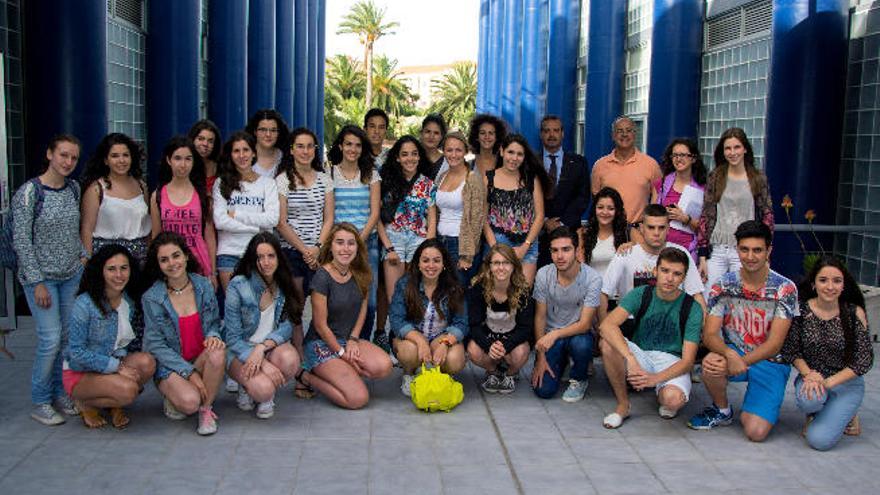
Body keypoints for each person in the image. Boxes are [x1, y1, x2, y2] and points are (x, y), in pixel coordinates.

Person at [687, 221, 797, 442]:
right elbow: (709, 334)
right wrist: (730, 355)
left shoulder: (785, 288)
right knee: (711, 362)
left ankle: (756, 402)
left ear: (769, 251)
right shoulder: (724, 284)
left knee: (755, 433)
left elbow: (775, 344)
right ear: (737, 249)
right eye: (744, 249)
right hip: (735, 350)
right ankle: (722, 410)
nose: (750, 256)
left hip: (771, 360)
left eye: (757, 250)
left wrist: (743, 361)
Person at [13, 134, 86, 425]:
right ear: (49, 154)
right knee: (49, 339)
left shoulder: (73, 190)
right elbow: (22, 240)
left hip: (70, 275)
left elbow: (74, 229)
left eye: (73, 157)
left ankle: (62, 392)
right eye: (63, 155)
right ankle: (41, 400)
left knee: (67, 339)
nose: (68, 162)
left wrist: (81, 257)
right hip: (41, 280)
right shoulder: (29, 193)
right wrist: (37, 281)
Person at [598, 248, 703, 428]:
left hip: (672, 360)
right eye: (665, 271)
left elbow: (687, 361)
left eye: (677, 274)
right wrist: (630, 358)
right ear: (655, 271)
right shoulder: (642, 293)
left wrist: (654, 379)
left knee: (672, 401)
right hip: (642, 354)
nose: (670, 278)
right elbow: (606, 325)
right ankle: (623, 405)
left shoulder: (692, 307)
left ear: (684, 278)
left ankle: (661, 391)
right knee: (607, 344)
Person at [781, 256, 873, 450]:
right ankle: (816, 413)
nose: (830, 286)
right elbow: (791, 350)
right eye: (823, 280)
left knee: (819, 441)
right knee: (810, 400)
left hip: (846, 383)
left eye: (836, 281)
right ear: (814, 283)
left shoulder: (854, 312)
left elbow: (863, 360)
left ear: (843, 285)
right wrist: (809, 374)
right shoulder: (802, 310)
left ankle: (848, 412)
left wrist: (827, 382)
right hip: (812, 377)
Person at [299, 223, 393, 409]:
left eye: (351, 243)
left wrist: (353, 339)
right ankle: (306, 376)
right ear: (331, 246)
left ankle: (343, 372)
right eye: (340, 243)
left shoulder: (362, 272)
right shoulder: (322, 276)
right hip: (322, 343)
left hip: (346, 339)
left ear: (358, 247)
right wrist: (342, 354)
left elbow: (362, 309)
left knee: (384, 366)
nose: (345, 248)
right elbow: (320, 325)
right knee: (357, 399)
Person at [142, 232, 226, 436]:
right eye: (164, 259)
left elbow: (214, 322)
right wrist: (188, 373)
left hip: (200, 358)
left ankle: (206, 411)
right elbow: (156, 345)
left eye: (176, 255)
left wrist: (214, 335)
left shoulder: (204, 286)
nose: (172, 263)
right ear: (158, 264)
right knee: (189, 403)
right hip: (171, 364)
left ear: (186, 256)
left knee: (217, 352)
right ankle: (176, 394)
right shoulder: (152, 297)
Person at [65, 245, 155, 429]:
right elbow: (76, 353)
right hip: (80, 372)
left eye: (124, 268)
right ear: (101, 272)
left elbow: (120, 344)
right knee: (129, 390)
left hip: (109, 365)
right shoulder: (84, 304)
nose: (119, 275)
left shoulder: (127, 301)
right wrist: (117, 368)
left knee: (147, 362)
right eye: (111, 269)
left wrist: (119, 367)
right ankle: (86, 403)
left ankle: (113, 402)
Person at [225, 233, 303, 419]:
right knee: (264, 391)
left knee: (291, 360)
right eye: (259, 257)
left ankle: (261, 388)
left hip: (266, 347)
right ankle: (250, 386)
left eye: (271, 256)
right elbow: (232, 338)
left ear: (278, 257)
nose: (266, 262)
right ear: (252, 260)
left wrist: (262, 348)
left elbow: (286, 327)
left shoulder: (283, 283)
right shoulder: (238, 285)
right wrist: (264, 364)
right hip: (240, 351)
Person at [276, 127, 333, 360]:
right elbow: (281, 222)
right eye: (300, 146)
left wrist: (317, 248)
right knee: (296, 308)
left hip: (320, 252)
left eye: (310, 146)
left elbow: (328, 217)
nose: (305, 151)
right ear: (291, 150)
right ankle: (299, 356)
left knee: (322, 307)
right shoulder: (282, 181)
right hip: (291, 252)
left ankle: (316, 351)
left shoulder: (325, 180)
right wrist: (304, 250)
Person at [599, 204, 706, 326]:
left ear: (668, 229)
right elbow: (603, 293)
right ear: (641, 228)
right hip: (631, 321)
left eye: (661, 228)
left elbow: (696, 294)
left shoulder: (681, 254)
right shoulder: (625, 254)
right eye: (651, 227)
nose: (656, 233)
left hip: (670, 322)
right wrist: (602, 328)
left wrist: (700, 330)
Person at [697, 128, 774, 292]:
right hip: (717, 249)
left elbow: (767, 216)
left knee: (740, 298)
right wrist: (702, 256)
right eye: (728, 148)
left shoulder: (758, 178)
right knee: (709, 296)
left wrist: (766, 253)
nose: (732, 152)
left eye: (737, 147)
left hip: (746, 250)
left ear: (745, 148)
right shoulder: (715, 176)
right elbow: (706, 215)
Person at [531, 227, 602, 402]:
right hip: (550, 336)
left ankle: (579, 378)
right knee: (544, 391)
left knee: (582, 344)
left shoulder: (592, 278)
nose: (560, 256)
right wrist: (540, 356)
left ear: (577, 251)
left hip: (577, 333)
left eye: (566, 249)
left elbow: (585, 324)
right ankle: (561, 362)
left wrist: (555, 334)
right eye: (555, 250)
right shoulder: (543, 274)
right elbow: (540, 316)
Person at [389, 239, 467, 396]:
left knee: (456, 359)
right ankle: (410, 374)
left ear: (444, 263)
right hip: (413, 336)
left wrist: (445, 343)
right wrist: (420, 340)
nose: (431, 265)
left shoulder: (454, 286)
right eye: (425, 260)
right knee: (409, 352)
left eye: (436, 261)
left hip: (440, 336)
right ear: (418, 263)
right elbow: (396, 319)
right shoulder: (405, 284)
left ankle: (441, 374)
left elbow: (462, 323)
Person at [327, 125, 381, 342]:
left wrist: (358, 240)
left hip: (368, 242)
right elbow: (329, 213)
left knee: (370, 300)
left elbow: (375, 212)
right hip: (338, 245)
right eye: (348, 144)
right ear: (340, 146)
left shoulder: (371, 174)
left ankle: (362, 343)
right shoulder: (329, 173)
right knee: (338, 299)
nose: (353, 149)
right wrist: (342, 242)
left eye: (358, 145)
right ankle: (337, 343)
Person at [213, 131, 280, 291]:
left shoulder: (267, 184)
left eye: (246, 150)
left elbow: (272, 219)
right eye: (236, 151)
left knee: (260, 306)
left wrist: (236, 215)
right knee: (233, 308)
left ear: (254, 152)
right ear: (231, 155)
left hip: (260, 254)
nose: (241, 155)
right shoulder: (221, 183)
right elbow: (220, 221)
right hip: (229, 254)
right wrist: (255, 229)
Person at [378, 136, 437, 313]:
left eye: (414, 154)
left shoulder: (427, 184)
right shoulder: (386, 182)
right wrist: (388, 248)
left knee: (416, 293)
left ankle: (414, 334)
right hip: (393, 240)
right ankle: (398, 336)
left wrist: (429, 247)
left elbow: (432, 218)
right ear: (397, 157)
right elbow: (377, 218)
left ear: (419, 157)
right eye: (404, 154)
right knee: (394, 296)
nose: (409, 158)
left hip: (418, 241)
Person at [484, 133, 550, 285]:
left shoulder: (531, 179)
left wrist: (525, 246)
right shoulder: (489, 178)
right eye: (510, 152)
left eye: (519, 154)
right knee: (498, 295)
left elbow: (540, 216)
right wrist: (496, 248)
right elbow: (482, 217)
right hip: (498, 243)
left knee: (522, 295)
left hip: (527, 243)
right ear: (502, 151)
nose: (514, 158)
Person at [468, 244, 533, 394]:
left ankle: (510, 373)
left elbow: (525, 328)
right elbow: (474, 325)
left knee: (522, 351)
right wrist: (489, 345)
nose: (501, 268)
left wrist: (506, 345)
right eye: (496, 263)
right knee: (473, 349)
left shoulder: (522, 290)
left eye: (506, 263)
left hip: (512, 340)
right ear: (489, 266)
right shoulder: (479, 288)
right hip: (489, 338)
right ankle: (493, 372)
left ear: (513, 266)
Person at [150, 135, 216, 282]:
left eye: (188, 159)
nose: (183, 164)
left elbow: (209, 235)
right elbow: (156, 235)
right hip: (170, 264)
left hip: (199, 263)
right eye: (177, 158)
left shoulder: (202, 194)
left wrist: (212, 272)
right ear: (169, 160)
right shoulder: (158, 195)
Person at [80, 132, 151, 265]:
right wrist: (87, 264)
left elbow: (147, 226)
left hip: (138, 258)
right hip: (106, 259)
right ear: (106, 160)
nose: (121, 160)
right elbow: (86, 230)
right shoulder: (96, 189)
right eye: (115, 156)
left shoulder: (141, 186)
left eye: (125, 155)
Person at [434, 131, 487, 284]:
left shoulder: (472, 179)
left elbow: (477, 220)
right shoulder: (441, 176)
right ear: (443, 151)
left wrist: (467, 256)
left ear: (465, 151)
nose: (454, 154)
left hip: (460, 244)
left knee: (458, 295)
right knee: (443, 292)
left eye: (458, 150)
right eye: (449, 150)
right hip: (440, 241)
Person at [590, 116, 661, 228]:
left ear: (634, 134)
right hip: (609, 230)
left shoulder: (651, 164)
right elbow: (596, 199)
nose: (624, 134)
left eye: (629, 130)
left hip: (639, 231)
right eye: (620, 131)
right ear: (613, 135)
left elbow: (658, 197)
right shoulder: (599, 166)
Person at [538, 115, 589, 268]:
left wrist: (561, 223)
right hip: (539, 235)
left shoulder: (578, 162)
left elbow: (583, 197)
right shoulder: (531, 162)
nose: (551, 135)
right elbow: (526, 197)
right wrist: (545, 221)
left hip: (569, 232)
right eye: (547, 131)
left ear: (562, 133)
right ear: (541, 134)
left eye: (556, 130)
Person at [651, 138, 707, 259]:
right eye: (675, 155)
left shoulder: (703, 188)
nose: (678, 159)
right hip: (662, 248)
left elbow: (707, 228)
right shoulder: (662, 184)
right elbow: (651, 217)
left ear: (693, 158)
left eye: (683, 155)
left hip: (689, 250)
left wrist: (685, 219)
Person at [578, 187, 629, 277]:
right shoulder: (582, 233)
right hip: (592, 288)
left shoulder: (628, 232)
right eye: (600, 207)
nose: (605, 212)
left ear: (617, 211)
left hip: (619, 290)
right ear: (594, 209)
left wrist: (631, 245)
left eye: (610, 208)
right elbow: (580, 266)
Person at [245, 109, 290, 179]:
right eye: (263, 130)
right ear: (255, 132)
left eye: (273, 130)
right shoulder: (244, 157)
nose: (268, 134)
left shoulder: (287, 158)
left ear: (279, 133)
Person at [468, 113, 507, 177]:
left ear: (497, 137)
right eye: (482, 133)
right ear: (476, 136)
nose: (487, 137)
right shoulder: (468, 166)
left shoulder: (504, 164)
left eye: (491, 133)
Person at [188, 119, 222, 192]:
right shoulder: (185, 165)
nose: (205, 144)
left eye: (210, 141)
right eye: (200, 139)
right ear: (192, 140)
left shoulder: (222, 167)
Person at [420, 113, 447, 179]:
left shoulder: (446, 162)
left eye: (436, 133)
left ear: (441, 137)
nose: (431, 136)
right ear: (421, 133)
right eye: (428, 131)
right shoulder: (412, 157)